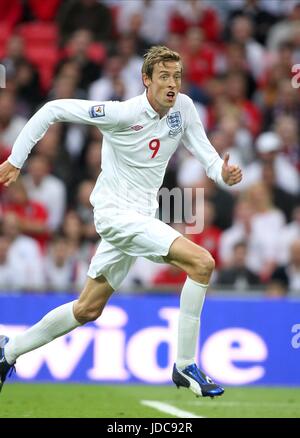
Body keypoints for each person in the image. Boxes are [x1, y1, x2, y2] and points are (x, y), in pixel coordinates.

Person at [0, 46, 242, 397]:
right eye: (164, 77)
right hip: (115, 215)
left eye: (176, 76)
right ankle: (185, 365)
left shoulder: (184, 109)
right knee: (202, 263)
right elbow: (52, 109)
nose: (172, 84)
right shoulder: (122, 113)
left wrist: (224, 173)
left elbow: (208, 157)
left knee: (87, 308)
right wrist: (15, 161)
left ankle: (8, 352)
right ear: (146, 80)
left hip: (141, 216)